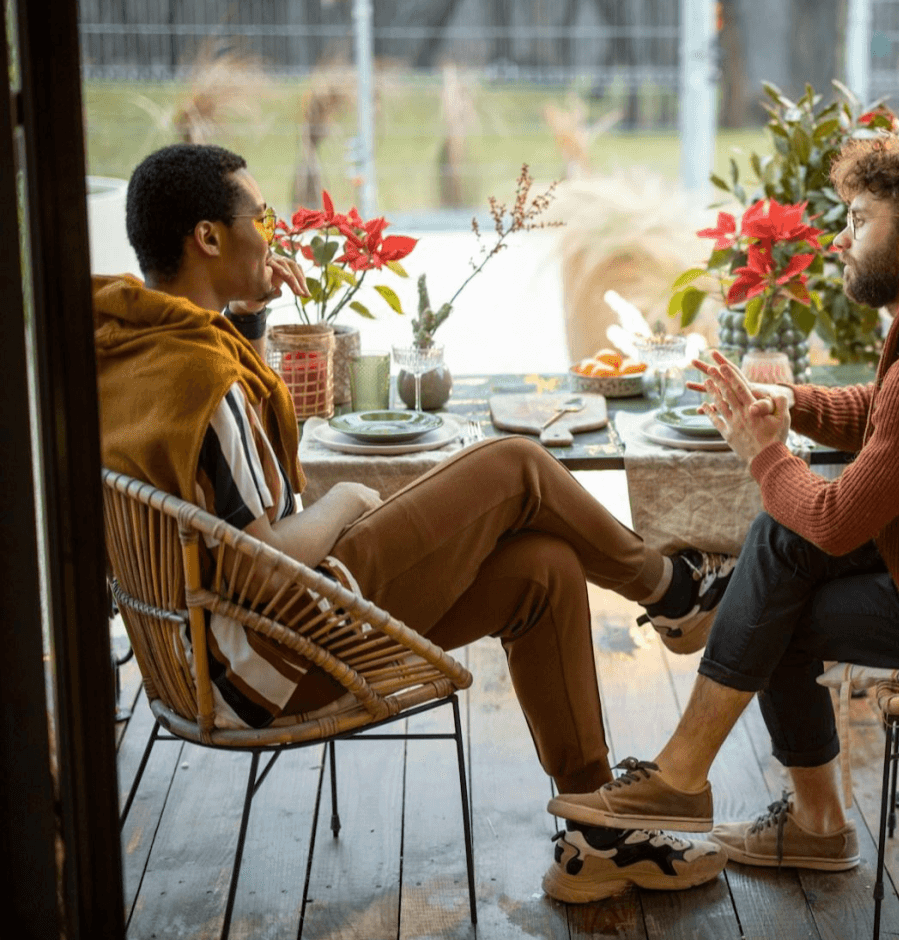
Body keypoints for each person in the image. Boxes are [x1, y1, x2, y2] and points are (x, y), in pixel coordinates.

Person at [94, 143, 739, 903]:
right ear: (208, 238)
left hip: (214, 649)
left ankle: (595, 831)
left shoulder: (139, 347)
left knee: (544, 569)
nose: (270, 233)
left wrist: (255, 314)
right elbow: (260, 561)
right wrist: (347, 502)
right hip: (279, 648)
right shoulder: (203, 377)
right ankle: (672, 591)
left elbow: (233, 487)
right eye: (257, 216)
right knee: (514, 465)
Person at [549, 136, 899, 871]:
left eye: (859, 219)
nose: (842, 240)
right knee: (778, 552)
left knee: (775, 598)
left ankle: (727, 792)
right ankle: (723, 787)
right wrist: (790, 403)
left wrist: (762, 452)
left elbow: (833, 519)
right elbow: (889, 409)